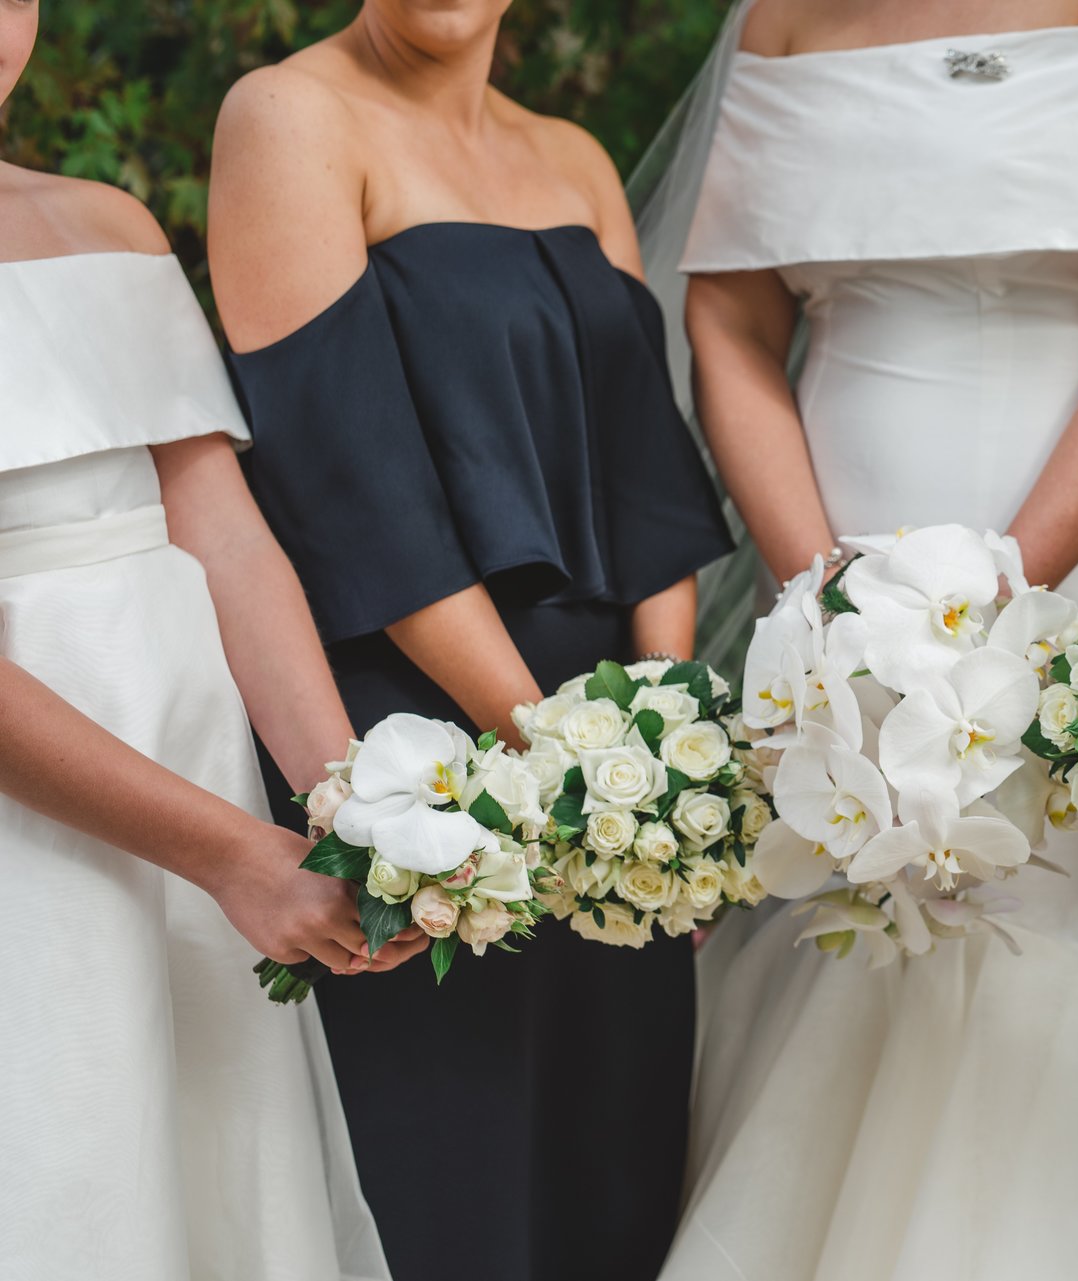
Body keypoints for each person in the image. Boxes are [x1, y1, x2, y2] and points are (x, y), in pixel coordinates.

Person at [637, 1, 1078, 1277]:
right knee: (837, 915)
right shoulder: (787, 20)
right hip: (830, 558)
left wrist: (993, 603)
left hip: (1069, 554)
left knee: (1020, 931)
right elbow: (727, 325)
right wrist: (826, 607)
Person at [207, 2, 734, 1275]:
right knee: (456, 1194)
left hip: (614, 760)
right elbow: (355, 488)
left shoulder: (575, 157)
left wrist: (662, 754)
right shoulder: (289, 115)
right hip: (422, 744)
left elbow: (648, 482)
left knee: (616, 1179)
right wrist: (548, 744)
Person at [0, 3, 401, 1276]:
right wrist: (230, 855)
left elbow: (220, 535)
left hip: (189, 770)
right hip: (48, 806)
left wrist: (353, 799)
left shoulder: (103, 222)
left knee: (211, 1158)